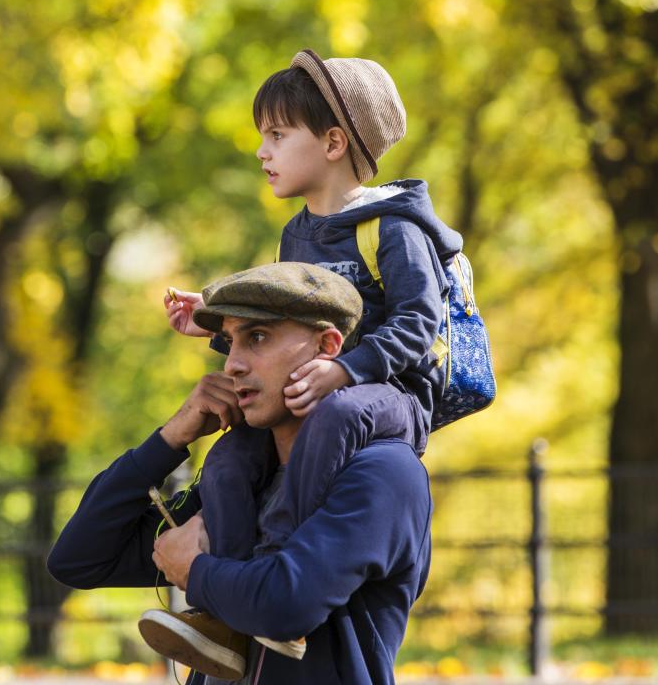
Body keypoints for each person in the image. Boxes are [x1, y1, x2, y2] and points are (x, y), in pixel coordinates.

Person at [157, 50, 470, 670]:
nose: (262, 152)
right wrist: (216, 324)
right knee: (230, 458)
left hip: (389, 396)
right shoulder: (297, 235)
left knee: (334, 417)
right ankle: (226, 612)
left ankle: (274, 569)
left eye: (276, 135)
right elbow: (285, 331)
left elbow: (419, 325)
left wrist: (347, 371)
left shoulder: (392, 228)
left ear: (333, 142)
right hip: (321, 388)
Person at [46, 262, 433, 684]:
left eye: (257, 338)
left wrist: (194, 572)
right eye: (230, 343)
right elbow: (79, 559)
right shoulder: (237, 481)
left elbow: (286, 605)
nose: (232, 365)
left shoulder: (385, 473)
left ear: (327, 346)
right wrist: (171, 438)